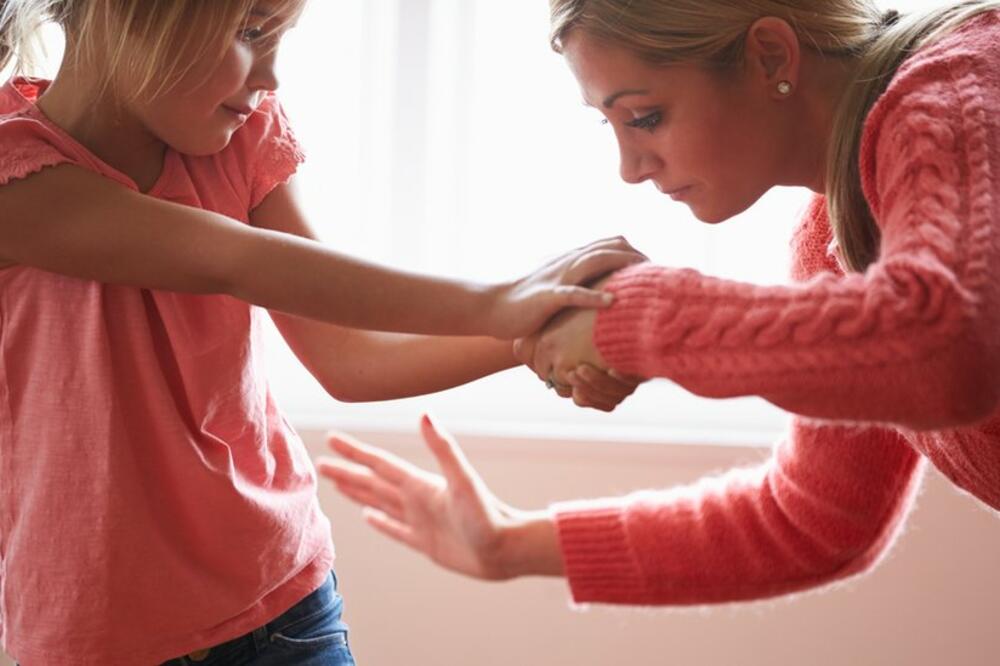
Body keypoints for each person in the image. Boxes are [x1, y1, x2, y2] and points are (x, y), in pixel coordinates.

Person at [0, 0, 646, 663]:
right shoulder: (13, 171)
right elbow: (233, 260)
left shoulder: (240, 138)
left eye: (281, 38)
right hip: (94, 640)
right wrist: (508, 302)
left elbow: (350, 357)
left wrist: (539, 335)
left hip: (284, 611)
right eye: (251, 33)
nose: (271, 77)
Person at [319, 0, 1000, 610]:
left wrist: (632, 317)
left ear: (770, 55)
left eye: (644, 116)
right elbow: (815, 518)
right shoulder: (835, 231)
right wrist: (508, 545)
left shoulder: (959, 86)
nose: (629, 167)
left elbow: (946, 347)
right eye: (613, 124)